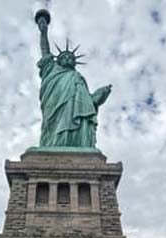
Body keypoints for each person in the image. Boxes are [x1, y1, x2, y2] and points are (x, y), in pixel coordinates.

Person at [35, 10, 111, 148]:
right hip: (54, 104)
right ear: (58, 61)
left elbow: (87, 103)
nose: (68, 58)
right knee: (53, 125)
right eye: (64, 57)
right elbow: (45, 50)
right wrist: (43, 32)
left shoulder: (77, 77)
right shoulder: (51, 69)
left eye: (71, 57)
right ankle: (53, 145)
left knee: (78, 123)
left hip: (74, 109)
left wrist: (98, 96)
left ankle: (77, 143)